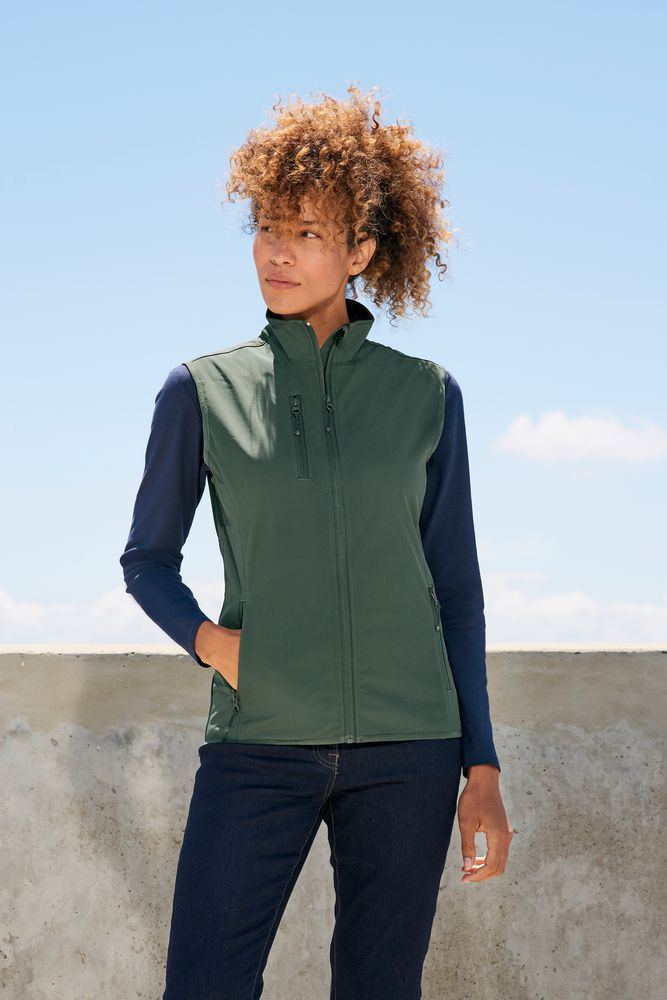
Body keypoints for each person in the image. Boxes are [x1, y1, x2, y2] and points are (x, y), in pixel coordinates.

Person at [120, 84, 513, 1000]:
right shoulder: (201, 391)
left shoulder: (426, 395)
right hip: (259, 741)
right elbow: (146, 560)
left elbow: (455, 590)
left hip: (410, 746)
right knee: (204, 984)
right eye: (265, 227)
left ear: (360, 251)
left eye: (304, 231)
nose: (276, 251)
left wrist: (481, 766)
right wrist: (212, 643)